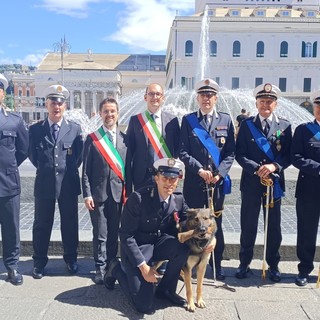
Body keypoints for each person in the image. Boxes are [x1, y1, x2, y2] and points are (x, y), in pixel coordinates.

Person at [103, 158, 191, 315]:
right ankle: (116, 269)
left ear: (178, 180)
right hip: (138, 247)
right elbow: (126, 235)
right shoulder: (139, 199)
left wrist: (209, 239)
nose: (169, 183)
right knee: (144, 306)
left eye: (173, 179)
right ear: (156, 178)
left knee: (183, 248)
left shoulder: (178, 198)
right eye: (164, 178)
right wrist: (143, 267)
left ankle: (166, 290)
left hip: (159, 244)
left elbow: (190, 222)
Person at [179, 78, 236, 280]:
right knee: (194, 224)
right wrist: (198, 170)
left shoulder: (226, 120)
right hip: (195, 183)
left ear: (216, 98)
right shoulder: (188, 120)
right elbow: (182, 151)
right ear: (198, 98)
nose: (206, 99)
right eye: (203, 95)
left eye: (210, 95)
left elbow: (230, 152)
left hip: (216, 185)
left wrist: (220, 173)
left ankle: (216, 264)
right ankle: (191, 265)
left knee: (214, 225)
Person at [235, 83, 292, 282]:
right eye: (262, 101)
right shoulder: (247, 125)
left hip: (274, 183)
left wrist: (274, 166)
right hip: (251, 181)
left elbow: (288, 155)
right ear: (256, 103)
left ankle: (274, 265)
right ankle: (244, 263)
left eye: (269, 102)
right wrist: (257, 168)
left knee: (273, 226)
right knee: (248, 224)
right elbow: (239, 153)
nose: (265, 105)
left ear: (275, 104)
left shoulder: (285, 126)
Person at [29, 84, 83, 279]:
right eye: (53, 103)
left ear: (65, 106)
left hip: (68, 184)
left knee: (70, 223)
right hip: (44, 184)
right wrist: (47, 170)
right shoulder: (35, 130)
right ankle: (39, 262)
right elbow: (33, 156)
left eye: (60, 103)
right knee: (42, 224)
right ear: (47, 105)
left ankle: (71, 259)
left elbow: (78, 157)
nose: (56, 107)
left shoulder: (75, 129)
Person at [82, 98, 130, 285]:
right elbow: (85, 171)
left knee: (113, 233)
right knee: (100, 233)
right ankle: (100, 267)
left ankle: (111, 265)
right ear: (100, 114)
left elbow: (129, 170)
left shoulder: (125, 139)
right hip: (98, 195)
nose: (109, 115)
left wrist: (129, 193)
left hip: (118, 194)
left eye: (112, 111)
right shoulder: (93, 139)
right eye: (106, 111)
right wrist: (87, 194)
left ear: (117, 114)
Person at [0, 74, 29, 285]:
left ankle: (12, 267)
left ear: (3, 93)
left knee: (11, 228)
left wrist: (9, 167)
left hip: (8, 183)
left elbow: (23, 150)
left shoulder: (15, 120)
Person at [126, 83, 180, 191]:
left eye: (157, 94)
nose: (154, 97)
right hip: (141, 176)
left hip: (165, 174)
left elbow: (178, 147)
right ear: (145, 97)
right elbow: (129, 152)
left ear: (163, 98)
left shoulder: (172, 120)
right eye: (151, 94)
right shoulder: (135, 120)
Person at [291, 90, 320, 286]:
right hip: (309, 189)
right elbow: (296, 157)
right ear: (314, 108)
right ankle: (304, 269)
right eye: (319, 106)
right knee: (306, 231)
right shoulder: (303, 130)